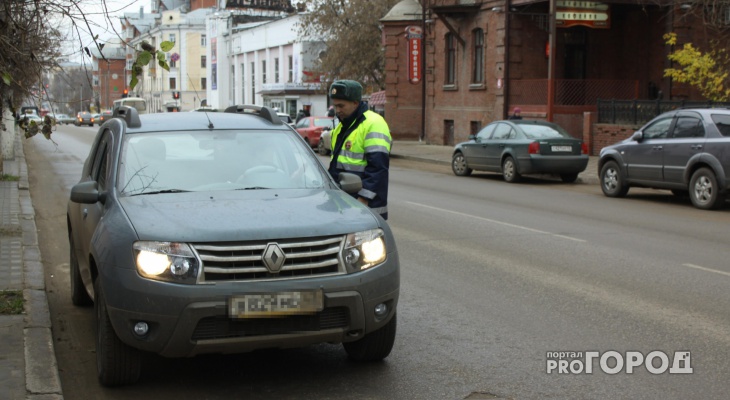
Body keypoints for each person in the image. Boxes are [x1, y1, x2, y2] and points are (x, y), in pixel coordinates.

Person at [327, 80, 392, 220]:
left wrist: (363, 200)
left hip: (365, 208)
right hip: (345, 204)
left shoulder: (374, 123)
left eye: (341, 106)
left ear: (355, 103)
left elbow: (378, 169)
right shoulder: (341, 126)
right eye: (335, 105)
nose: (337, 110)